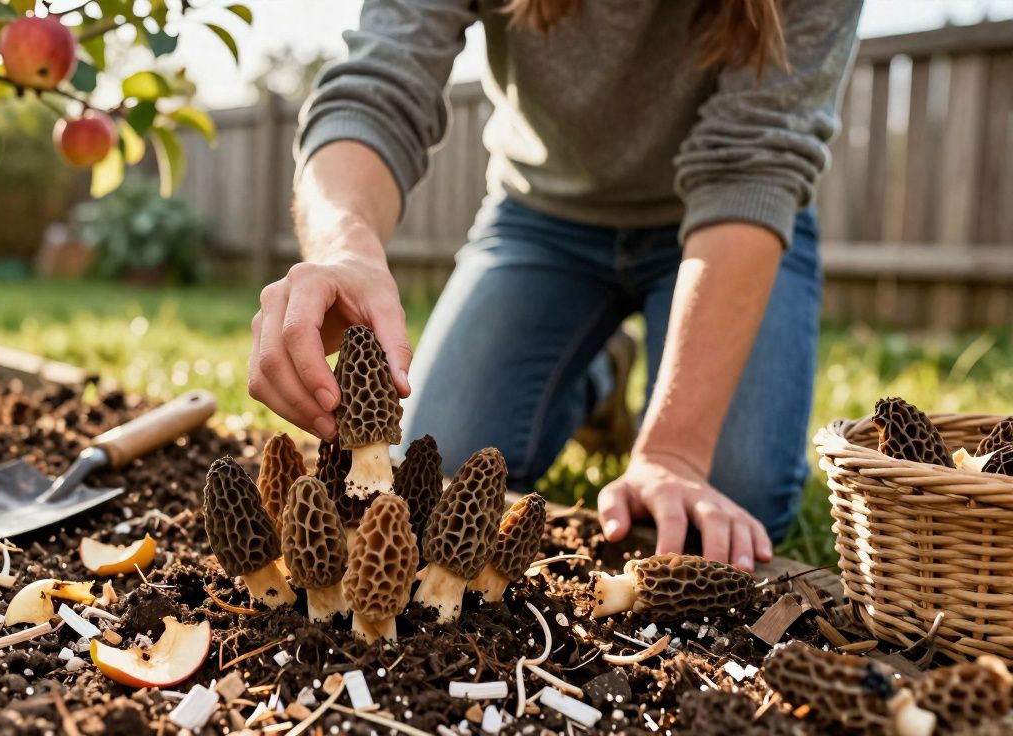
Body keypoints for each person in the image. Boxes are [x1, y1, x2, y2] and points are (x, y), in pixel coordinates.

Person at [247, 0, 862, 572]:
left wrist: (675, 452)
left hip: (735, 217)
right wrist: (344, 249)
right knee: (443, 467)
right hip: (542, 219)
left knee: (726, 500)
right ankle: (596, 377)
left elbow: (755, 160)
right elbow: (378, 85)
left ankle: (624, 389)